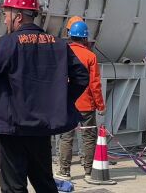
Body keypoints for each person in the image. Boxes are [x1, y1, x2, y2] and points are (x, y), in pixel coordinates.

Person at [0, 0, 89, 193]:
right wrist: (60, 101)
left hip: (12, 128)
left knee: (14, 187)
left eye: (6, 14)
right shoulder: (57, 44)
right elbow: (81, 77)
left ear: (18, 16)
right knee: (45, 184)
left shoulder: (8, 43)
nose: (5, 20)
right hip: (41, 128)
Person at [55, 21, 106, 183]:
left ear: (70, 35)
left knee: (66, 137)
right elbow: (95, 84)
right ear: (85, 38)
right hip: (86, 105)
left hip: (67, 103)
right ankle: (89, 172)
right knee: (89, 137)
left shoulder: (63, 52)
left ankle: (64, 171)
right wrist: (100, 106)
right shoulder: (91, 56)